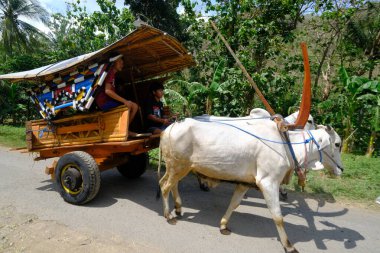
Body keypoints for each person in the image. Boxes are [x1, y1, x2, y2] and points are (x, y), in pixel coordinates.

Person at [95, 55, 150, 138]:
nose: (122, 64)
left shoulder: (113, 74)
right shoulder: (110, 73)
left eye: (122, 63)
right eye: (119, 62)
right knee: (132, 106)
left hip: (107, 101)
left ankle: (125, 129)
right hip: (104, 102)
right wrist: (125, 101)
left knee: (134, 106)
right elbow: (108, 91)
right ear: (113, 63)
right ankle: (125, 131)